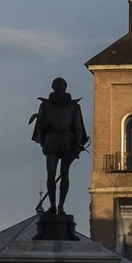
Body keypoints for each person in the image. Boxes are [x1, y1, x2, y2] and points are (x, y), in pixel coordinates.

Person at [29, 77, 89, 214]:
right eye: (58, 87)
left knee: (63, 173)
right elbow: (41, 127)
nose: (60, 90)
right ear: (53, 88)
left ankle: (60, 206)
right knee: (52, 174)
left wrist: (76, 144)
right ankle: (53, 206)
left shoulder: (74, 107)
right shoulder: (45, 106)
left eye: (61, 87)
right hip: (52, 141)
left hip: (66, 142)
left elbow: (78, 127)